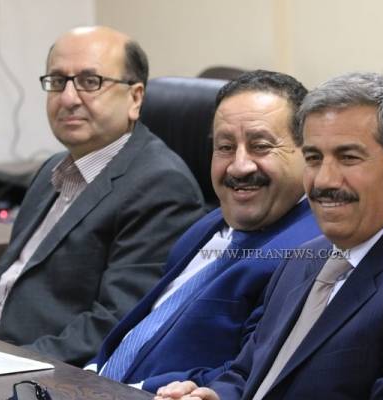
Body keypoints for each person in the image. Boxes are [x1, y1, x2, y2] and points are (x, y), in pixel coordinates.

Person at [155, 72, 383, 400]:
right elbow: (248, 375)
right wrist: (213, 395)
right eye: (314, 158)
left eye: (348, 158)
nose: (323, 180)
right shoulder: (306, 257)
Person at [0, 26, 206, 366]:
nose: (68, 98)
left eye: (89, 81)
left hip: (32, 372)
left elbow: (114, 325)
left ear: (135, 98)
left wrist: (4, 364)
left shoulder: (162, 185)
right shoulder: (53, 168)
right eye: (58, 81)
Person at [85, 70, 322, 393]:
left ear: (308, 153)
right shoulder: (209, 225)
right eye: (225, 147)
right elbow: (145, 328)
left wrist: (137, 389)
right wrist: (89, 374)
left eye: (260, 146)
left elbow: (251, 372)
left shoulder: (311, 251)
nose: (239, 166)